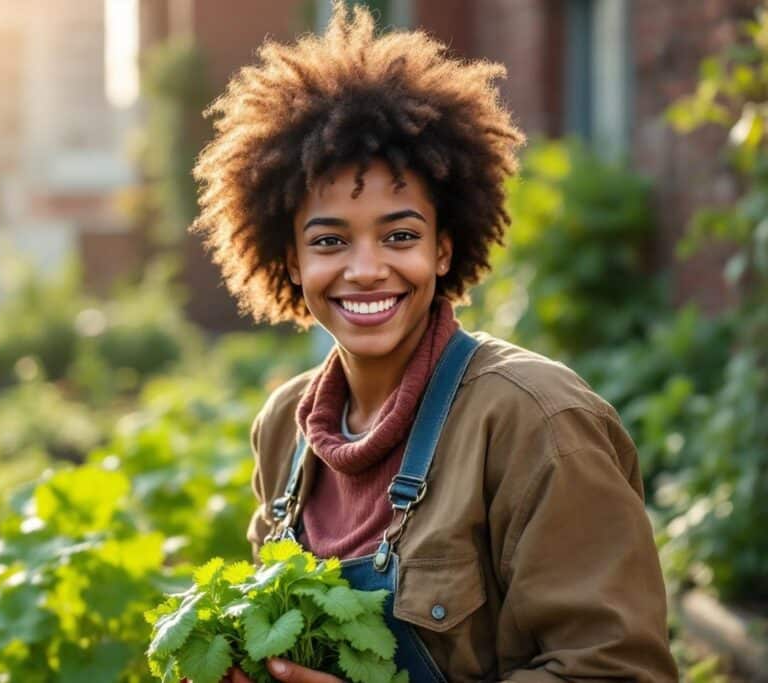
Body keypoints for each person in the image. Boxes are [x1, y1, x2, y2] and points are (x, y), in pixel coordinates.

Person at [188, 2, 678, 681]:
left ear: (444, 249)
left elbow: (618, 670)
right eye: (330, 240)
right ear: (292, 261)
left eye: (400, 235)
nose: (366, 268)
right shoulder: (284, 431)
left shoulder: (535, 419)